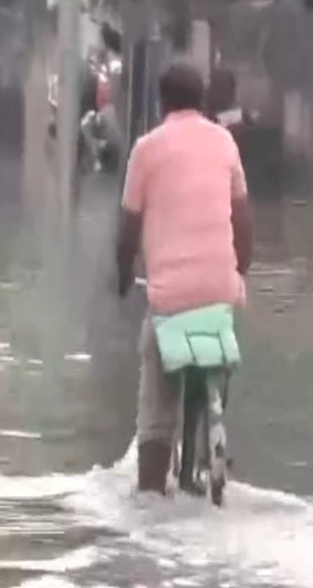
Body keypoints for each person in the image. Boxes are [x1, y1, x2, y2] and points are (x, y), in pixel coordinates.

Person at [116, 63, 254, 494]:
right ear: (203, 101)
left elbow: (128, 231)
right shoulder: (225, 144)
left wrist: (123, 276)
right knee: (216, 344)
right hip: (220, 291)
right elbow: (244, 223)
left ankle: (152, 487)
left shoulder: (146, 149)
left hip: (170, 298)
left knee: (156, 403)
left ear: (162, 103)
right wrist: (237, 272)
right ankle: (211, 421)